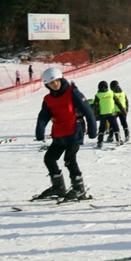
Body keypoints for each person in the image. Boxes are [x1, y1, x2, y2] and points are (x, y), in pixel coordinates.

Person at [34, 68, 97, 201]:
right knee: (49, 158)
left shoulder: (72, 92)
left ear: (61, 79)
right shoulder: (48, 99)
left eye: (57, 81)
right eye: (51, 83)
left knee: (69, 159)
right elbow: (43, 116)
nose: (55, 84)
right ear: (47, 85)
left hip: (75, 131)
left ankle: (79, 189)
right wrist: (39, 131)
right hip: (59, 134)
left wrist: (92, 130)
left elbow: (88, 111)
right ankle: (58, 187)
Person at [92, 80, 121, 147]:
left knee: (101, 128)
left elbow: (95, 106)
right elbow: (118, 102)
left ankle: (100, 142)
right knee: (115, 126)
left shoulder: (98, 95)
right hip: (111, 113)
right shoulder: (111, 93)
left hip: (103, 114)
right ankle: (118, 140)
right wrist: (123, 110)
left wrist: (96, 115)